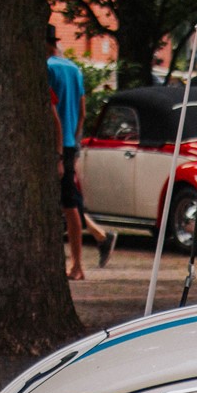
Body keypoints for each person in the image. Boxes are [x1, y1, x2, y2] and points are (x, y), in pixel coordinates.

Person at [48, 24, 115, 280]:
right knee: (70, 202)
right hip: (69, 142)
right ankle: (81, 257)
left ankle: (76, 264)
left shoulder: (47, 69)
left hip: (53, 144)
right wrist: (74, 141)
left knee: (69, 203)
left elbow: (51, 111)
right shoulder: (74, 69)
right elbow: (83, 111)